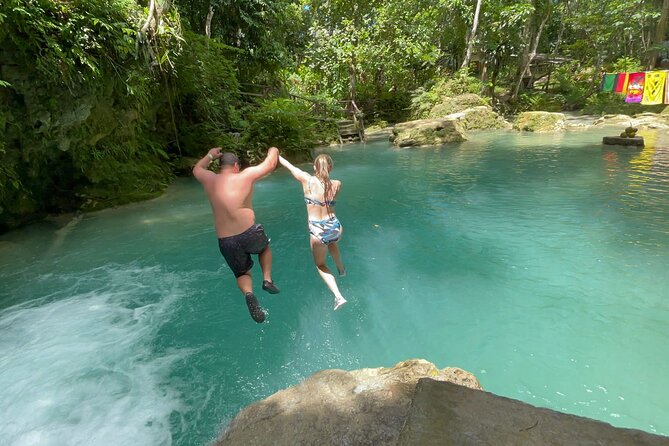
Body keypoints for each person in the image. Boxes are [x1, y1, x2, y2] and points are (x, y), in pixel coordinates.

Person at [193, 147, 280, 323]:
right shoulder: (244, 176)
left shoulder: (210, 179)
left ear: (220, 166)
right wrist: (273, 150)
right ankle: (267, 279)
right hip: (249, 232)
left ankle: (249, 294)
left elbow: (196, 169)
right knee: (264, 249)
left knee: (242, 274)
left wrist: (209, 155)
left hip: (226, 240)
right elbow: (270, 163)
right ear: (235, 165)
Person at [279, 154, 347, 310]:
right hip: (335, 227)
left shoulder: (307, 181)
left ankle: (338, 296)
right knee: (332, 242)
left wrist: (277, 155)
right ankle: (341, 269)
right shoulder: (337, 184)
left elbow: (290, 166)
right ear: (331, 167)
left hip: (318, 230)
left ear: (315, 167)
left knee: (320, 264)